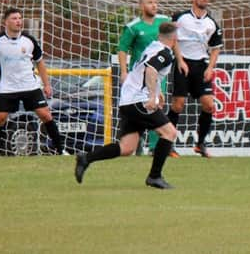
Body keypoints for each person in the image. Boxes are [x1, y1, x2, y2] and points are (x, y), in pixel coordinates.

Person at [74, 22, 179, 189]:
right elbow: (150, 70)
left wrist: (157, 91)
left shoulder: (153, 46)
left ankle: (86, 158)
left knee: (127, 148)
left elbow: (146, 70)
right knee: (170, 133)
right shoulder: (165, 53)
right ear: (175, 38)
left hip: (128, 99)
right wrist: (152, 96)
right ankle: (154, 177)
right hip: (139, 100)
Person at [0, 7, 64, 155]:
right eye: (14, 19)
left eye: (20, 18)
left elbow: (40, 62)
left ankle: (61, 150)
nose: (18, 21)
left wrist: (46, 85)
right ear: (6, 22)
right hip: (8, 88)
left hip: (30, 86)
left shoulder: (29, 41)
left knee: (46, 115)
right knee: (0, 118)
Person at [168, 0, 222, 158]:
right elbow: (172, 38)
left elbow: (215, 48)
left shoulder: (211, 23)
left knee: (209, 105)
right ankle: (168, 144)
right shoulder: (180, 18)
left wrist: (210, 68)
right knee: (178, 105)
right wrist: (180, 60)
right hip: (182, 64)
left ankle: (200, 144)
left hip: (201, 66)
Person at [118, 0, 172, 156]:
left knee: (157, 104)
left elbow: (173, 40)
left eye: (156, 2)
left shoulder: (164, 21)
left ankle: (155, 147)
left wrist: (179, 59)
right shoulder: (133, 27)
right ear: (142, 6)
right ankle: (137, 143)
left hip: (156, 70)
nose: (154, 5)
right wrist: (123, 71)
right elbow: (122, 49)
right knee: (141, 106)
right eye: (150, 3)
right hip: (139, 75)